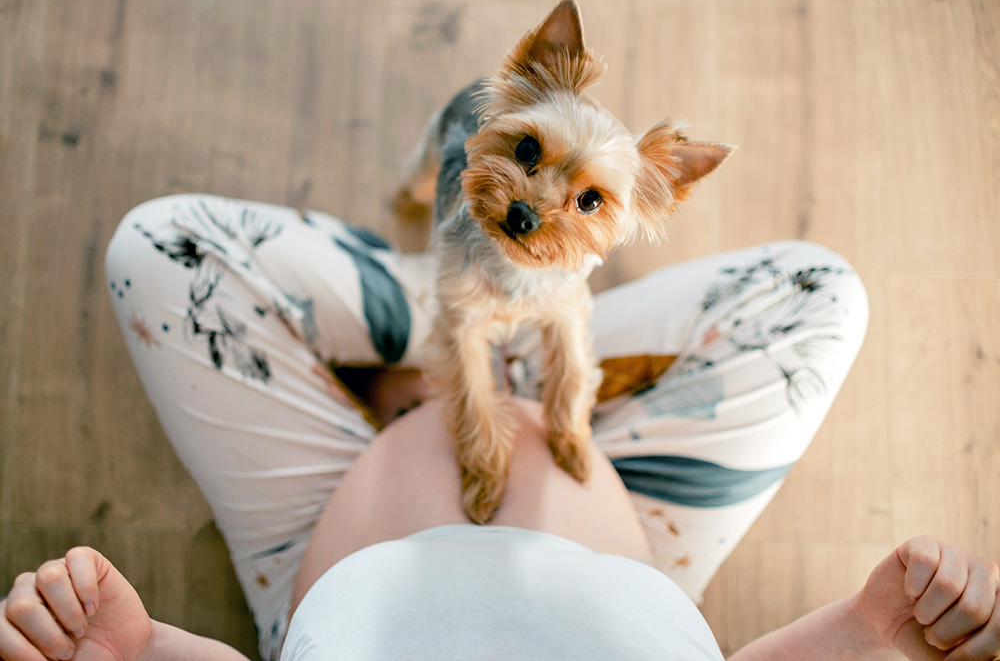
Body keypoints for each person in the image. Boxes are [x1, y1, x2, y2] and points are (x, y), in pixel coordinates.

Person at [1, 195, 997, 660]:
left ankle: (460, 334)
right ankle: (521, 336)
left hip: (323, 525)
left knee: (158, 253)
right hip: (630, 533)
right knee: (815, 294)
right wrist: (870, 631)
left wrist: (137, 654)